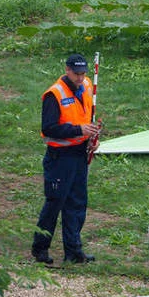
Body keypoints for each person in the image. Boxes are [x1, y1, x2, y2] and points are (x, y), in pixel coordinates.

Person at [32, 53, 101, 265]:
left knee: (77, 203)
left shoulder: (87, 85)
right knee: (54, 203)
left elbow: (86, 115)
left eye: (83, 73)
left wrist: (91, 135)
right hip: (60, 157)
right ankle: (40, 249)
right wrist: (78, 129)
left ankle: (73, 251)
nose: (81, 78)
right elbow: (49, 128)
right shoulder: (54, 94)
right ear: (67, 70)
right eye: (77, 73)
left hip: (79, 153)